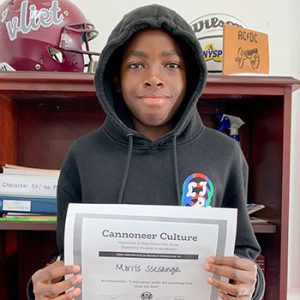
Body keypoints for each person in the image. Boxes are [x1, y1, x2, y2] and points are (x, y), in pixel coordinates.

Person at [28, 4, 265, 300]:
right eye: (136, 65)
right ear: (115, 77)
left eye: (172, 65)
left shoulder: (225, 154)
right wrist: (45, 288)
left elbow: (242, 254)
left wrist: (251, 285)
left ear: (190, 76)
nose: (154, 78)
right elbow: (69, 258)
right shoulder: (83, 155)